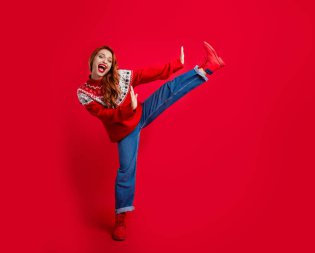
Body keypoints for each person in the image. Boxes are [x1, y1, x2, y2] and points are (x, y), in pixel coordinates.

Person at [77, 41, 225, 241]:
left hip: (140, 113)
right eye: (102, 57)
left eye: (110, 60)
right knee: (126, 171)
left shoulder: (118, 77)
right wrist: (129, 108)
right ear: (93, 60)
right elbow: (107, 116)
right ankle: (121, 220)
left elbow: (142, 74)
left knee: (169, 90)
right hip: (125, 131)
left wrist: (174, 65)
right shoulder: (85, 93)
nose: (105, 61)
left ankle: (208, 67)